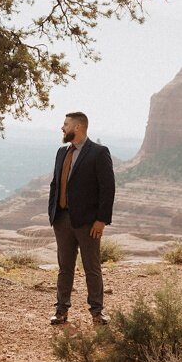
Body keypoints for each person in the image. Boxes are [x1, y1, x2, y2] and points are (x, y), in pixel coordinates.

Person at [49, 111, 115, 325]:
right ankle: (61, 310)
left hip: (88, 223)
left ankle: (97, 311)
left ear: (77, 128)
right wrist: (53, 213)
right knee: (64, 268)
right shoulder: (61, 152)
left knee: (92, 268)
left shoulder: (98, 152)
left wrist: (101, 220)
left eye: (66, 124)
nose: (62, 127)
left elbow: (108, 189)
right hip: (62, 220)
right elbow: (55, 184)